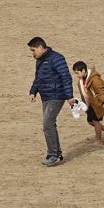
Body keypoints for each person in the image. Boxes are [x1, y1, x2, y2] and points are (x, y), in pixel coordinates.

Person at [28, 37, 75, 166]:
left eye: (33, 50)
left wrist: (69, 96)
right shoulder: (40, 61)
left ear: (40, 47)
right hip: (46, 96)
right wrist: (33, 91)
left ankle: (52, 154)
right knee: (49, 124)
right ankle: (57, 153)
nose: (33, 54)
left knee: (47, 123)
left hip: (57, 95)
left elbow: (66, 77)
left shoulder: (57, 58)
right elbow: (38, 78)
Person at [72, 60, 104, 145]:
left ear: (83, 71)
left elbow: (100, 90)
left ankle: (99, 140)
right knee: (90, 121)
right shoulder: (80, 82)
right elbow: (83, 94)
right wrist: (85, 106)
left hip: (98, 102)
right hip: (91, 104)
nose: (76, 75)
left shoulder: (94, 79)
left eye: (77, 73)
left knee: (95, 121)